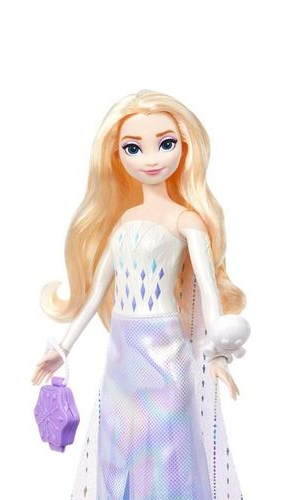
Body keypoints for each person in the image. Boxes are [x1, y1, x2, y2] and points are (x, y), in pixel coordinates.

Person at [32, 91, 249, 499]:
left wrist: (219, 355)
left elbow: (208, 292)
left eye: (165, 144)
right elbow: (96, 294)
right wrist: (62, 349)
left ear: (184, 148)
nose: (151, 158)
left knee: (169, 446)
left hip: (166, 349)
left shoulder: (187, 220)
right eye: (133, 148)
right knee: (118, 448)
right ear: (117, 156)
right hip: (122, 351)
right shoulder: (124, 220)